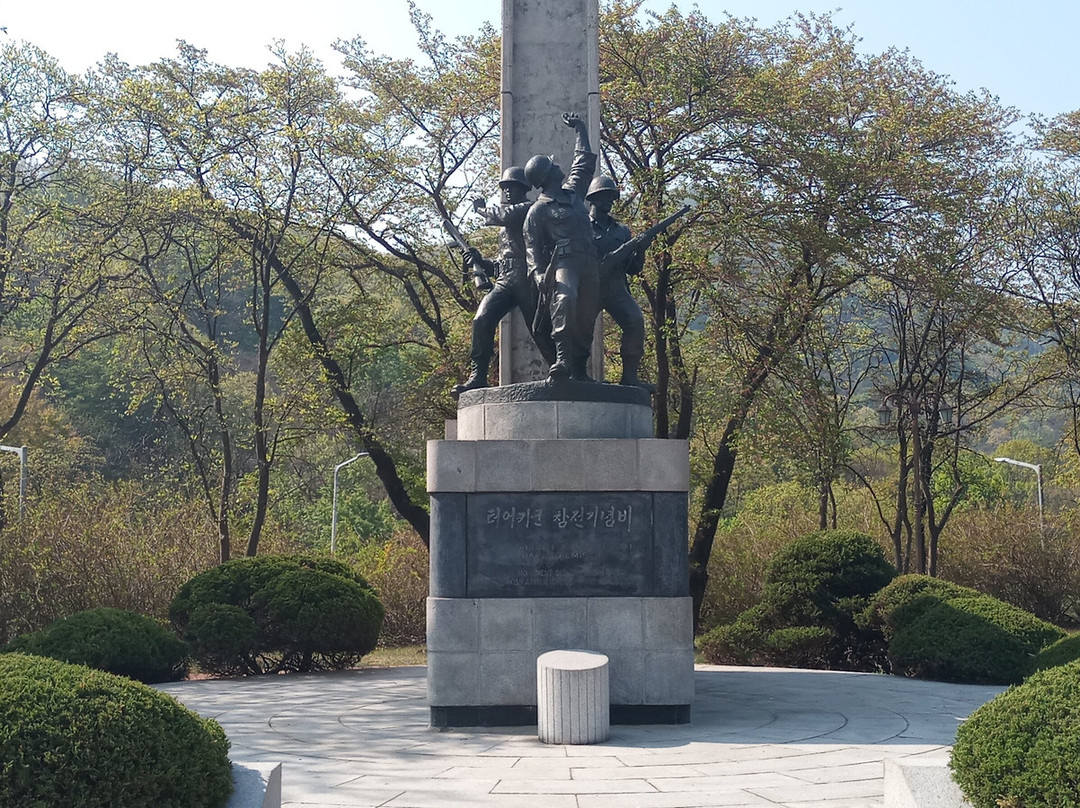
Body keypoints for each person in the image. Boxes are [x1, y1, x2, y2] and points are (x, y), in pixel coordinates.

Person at [523, 112, 599, 381]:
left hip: (589, 261)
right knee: (566, 301)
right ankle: (563, 359)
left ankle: (579, 366)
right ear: (547, 175)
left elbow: (584, 164)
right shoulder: (538, 210)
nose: (559, 166)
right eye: (553, 166)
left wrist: (580, 129)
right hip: (564, 262)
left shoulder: (574, 192)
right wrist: (540, 274)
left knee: (588, 314)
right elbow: (532, 247)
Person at [452, 166, 541, 396]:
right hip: (505, 280)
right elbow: (501, 263)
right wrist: (480, 260)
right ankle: (478, 375)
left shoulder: (527, 209)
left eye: (512, 187)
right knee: (482, 319)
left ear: (523, 189)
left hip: (526, 278)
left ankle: (565, 371)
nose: (507, 191)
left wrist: (481, 209)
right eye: (504, 188)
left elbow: (505, 215)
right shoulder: (505, 227)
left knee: (539, 329)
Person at [586, 175, 653, 391]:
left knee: (635, 321)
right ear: (593, 199)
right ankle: (577, 374)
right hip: (590, 286)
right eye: (604, 196)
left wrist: (640, 249)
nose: (609, 201)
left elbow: (633, 269)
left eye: (612, 197)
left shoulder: (621, 231)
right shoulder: (582, 227)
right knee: (580, 330)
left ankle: (630, 376)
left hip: (616, 287)